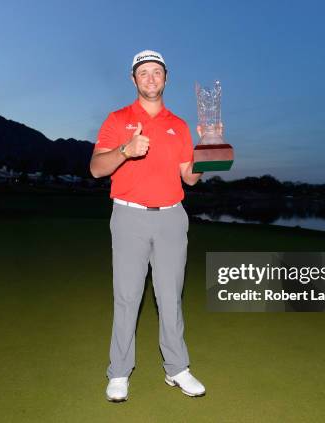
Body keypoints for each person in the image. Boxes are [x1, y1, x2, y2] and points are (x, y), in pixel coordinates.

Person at [90, 50, 207, 402]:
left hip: (172, 216)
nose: (151, 78)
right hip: (129, 217)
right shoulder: (117, 119)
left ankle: (176, 369)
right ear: (133, 79)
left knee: (170, 298)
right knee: (127, 297)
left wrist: (207, 148)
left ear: (166, 78)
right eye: (144, 72)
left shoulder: (181, 125)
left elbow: (191, 179)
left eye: (157, 72)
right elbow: (96, 168)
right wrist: (126, 149)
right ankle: (119, 372)